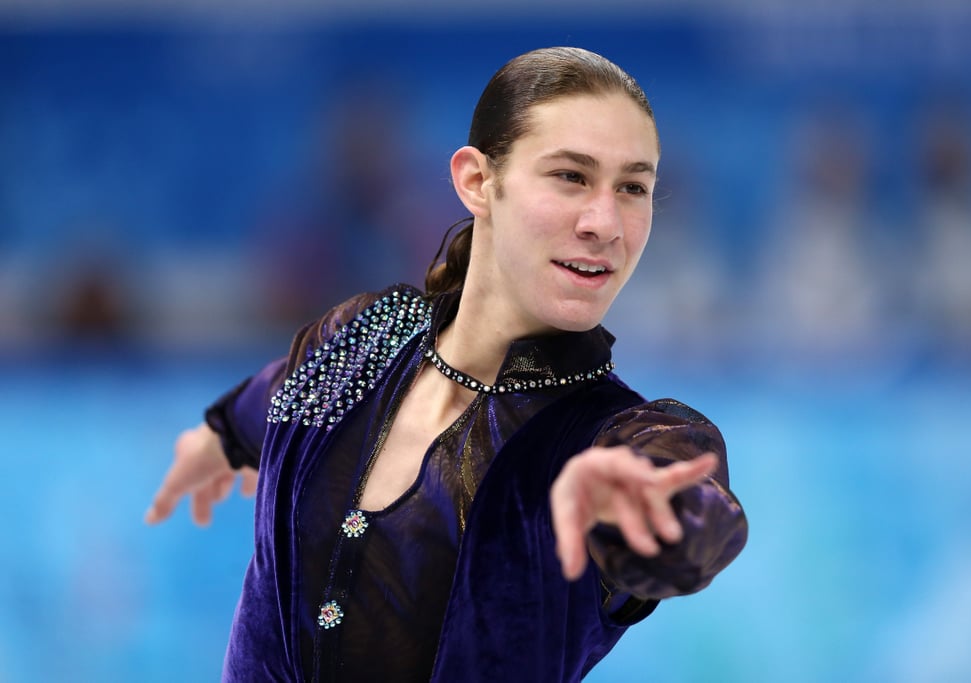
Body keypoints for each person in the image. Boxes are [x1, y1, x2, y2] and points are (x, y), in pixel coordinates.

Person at [146, 47, 748, 682]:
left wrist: (650, 513)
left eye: (633, 187)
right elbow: (273, 394)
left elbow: (695, 509)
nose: (606, 223)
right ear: (477, 181)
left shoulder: (610, 434)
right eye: (571, 176)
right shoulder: (362, 335)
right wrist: (218, 435)